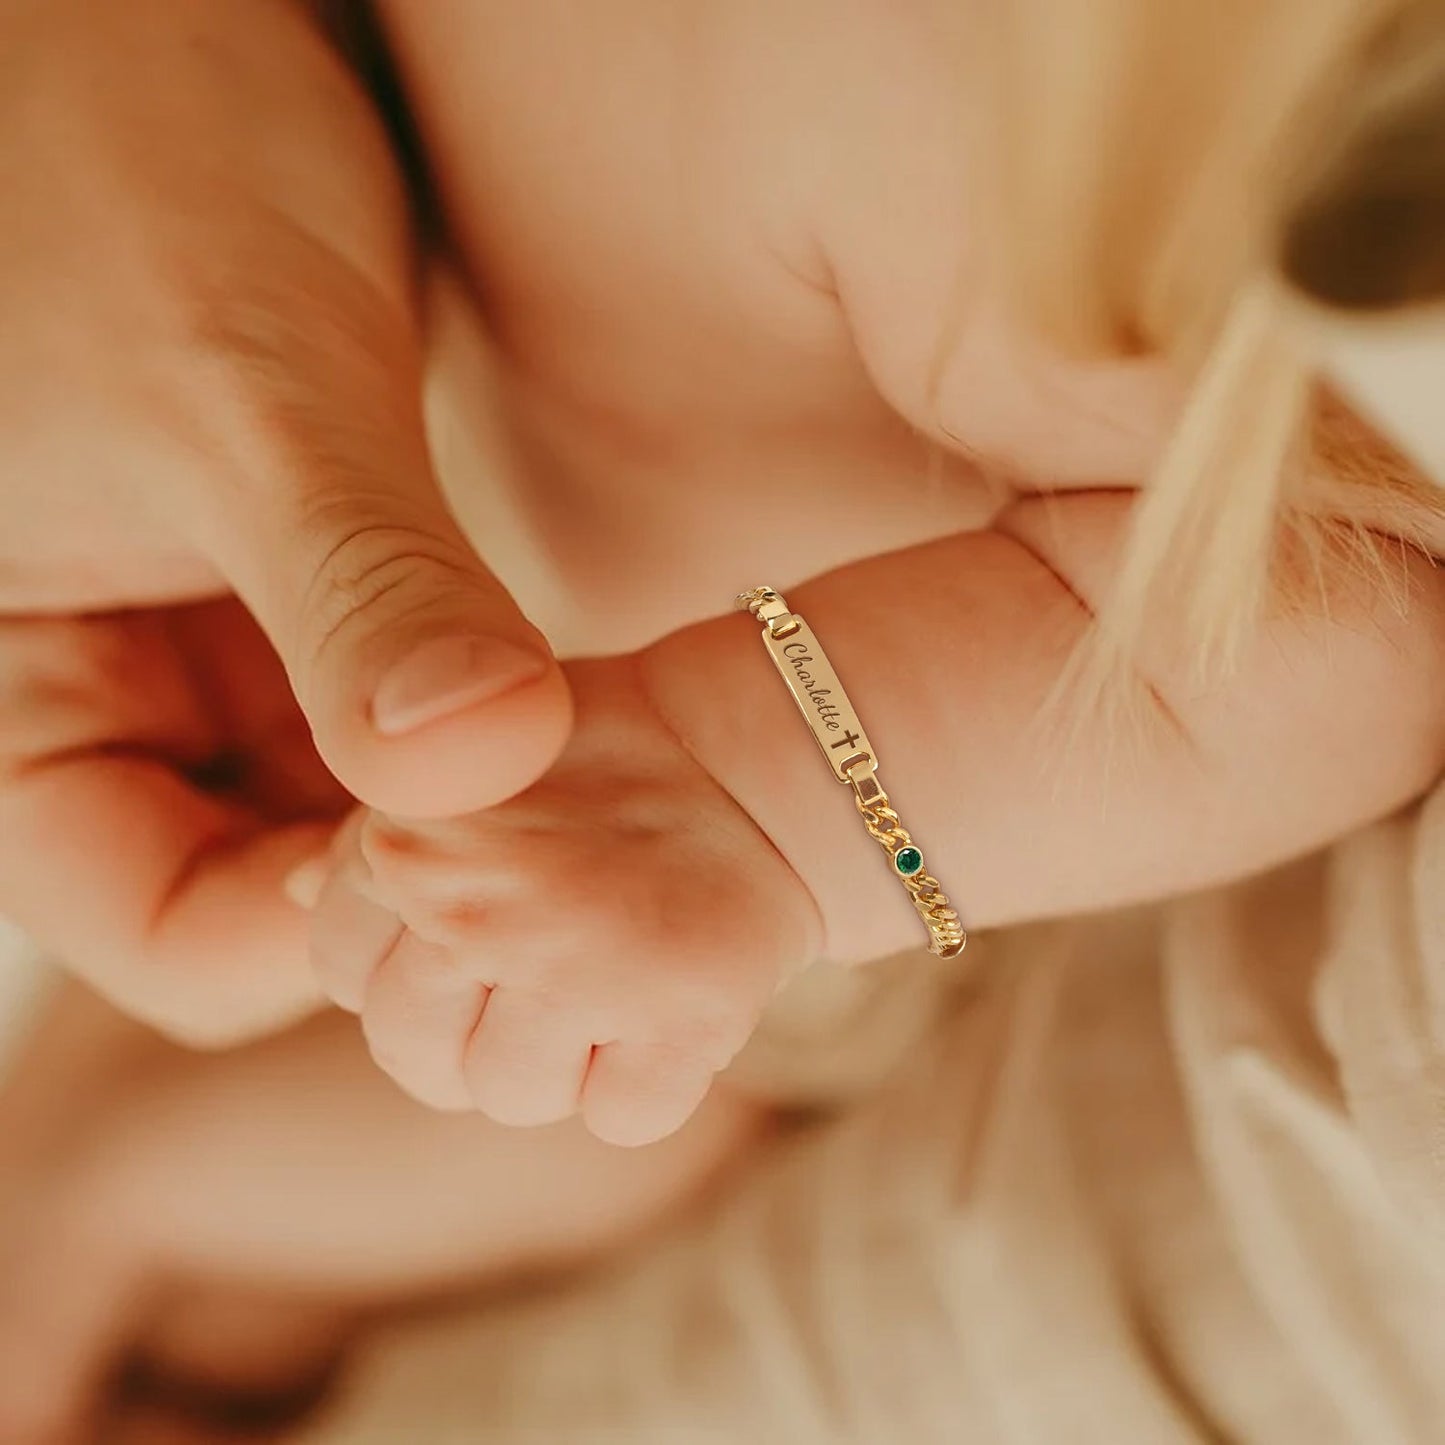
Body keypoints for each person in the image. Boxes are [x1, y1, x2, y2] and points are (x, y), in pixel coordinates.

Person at [2, 0, 1445, 1438]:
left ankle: (82, 1206)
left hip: (791, 845)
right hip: (467, 596)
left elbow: (1332, 610)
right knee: (288, 1063)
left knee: (462, 1111)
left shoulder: (975, 107)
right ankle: (79, 1205)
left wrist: (747, 796)